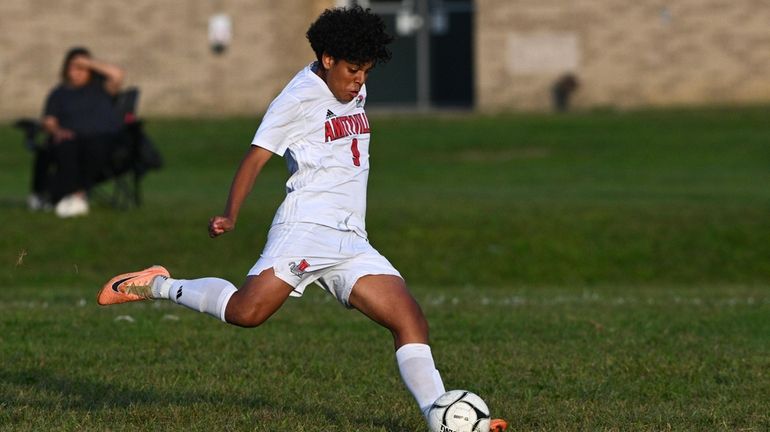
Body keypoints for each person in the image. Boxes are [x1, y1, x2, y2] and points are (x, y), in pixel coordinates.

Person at [97, 6, 507, 431]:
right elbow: (255, 159)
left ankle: (441, 418)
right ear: (327, 59)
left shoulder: (350, 88)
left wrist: (354, 83)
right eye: (352, 70)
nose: (359, 80)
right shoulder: (295, 99)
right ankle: (158, 284)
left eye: (365, 71)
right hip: (305, 229)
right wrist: (230, 214)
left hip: (351, 237)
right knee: (246, 312)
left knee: (410, 320)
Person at [32, 47, 129, 217]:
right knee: (66, 146)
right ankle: (69, 196)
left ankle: (75, 196)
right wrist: (57, 131)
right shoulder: (59, 93)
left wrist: (88, 62)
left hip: (103, 138)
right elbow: (49, 121)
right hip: (70, 138)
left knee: (95, 146)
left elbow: (118, 75)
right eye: (72, 67)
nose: (76, 72)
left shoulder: (101, 87)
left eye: (81, 68)